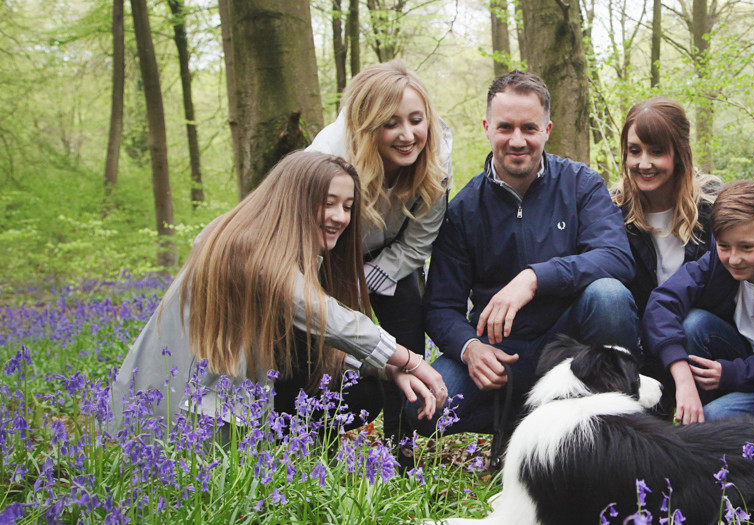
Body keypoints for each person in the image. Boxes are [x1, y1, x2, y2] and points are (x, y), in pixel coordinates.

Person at [109, 152, 448, 438]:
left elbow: (312, 340)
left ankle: (297, 456)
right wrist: (409, 359)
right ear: (292, 200)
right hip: (177, 418)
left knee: (361, 387)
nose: (339, 217)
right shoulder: (246, 246)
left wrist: (386, 369)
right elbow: (322, 315)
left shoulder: (286, 249)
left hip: (228, 402)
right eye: (327, 203)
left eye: (347, 207)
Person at [416, 70, 637, 441]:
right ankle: (530, 417)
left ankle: (614, 428)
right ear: (487, 127)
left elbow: (616, 257)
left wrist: (535, 278)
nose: (517, 140)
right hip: (503, 353)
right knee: (428, 408)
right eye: (505, 128)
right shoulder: (464, 209)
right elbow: (440, 306)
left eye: (529, 128)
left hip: (572, 345)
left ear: (547, 130)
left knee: (610, 297)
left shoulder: (581, 184)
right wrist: (471, 349)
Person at [306, 60, 452, 446]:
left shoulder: (437, 159)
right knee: (325, 344)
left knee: (406, 332)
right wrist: (344, 282)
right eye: (391, 124)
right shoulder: (326, 157)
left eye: (416, 120)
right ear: (367, 126)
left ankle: (402, 446)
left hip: (394, 253)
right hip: (328, 255)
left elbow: (420, 238)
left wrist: (374, 274)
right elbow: (305, 244)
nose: (408, 135)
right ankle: (321, 446)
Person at [642, 181, 754, 424]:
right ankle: (695, 410)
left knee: (715, 418)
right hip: (736, 362)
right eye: (724, 246)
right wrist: (683, 379)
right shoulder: (717, 262)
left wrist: (735, 374)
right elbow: (662, 301)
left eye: (747, 247)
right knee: (695, 323)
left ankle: (709, 420)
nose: (734, 259)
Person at [610, 97, 720, 315]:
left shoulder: (711, 203)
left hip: (691, 328)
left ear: (679, 153)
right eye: (634, 151)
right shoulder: (613, 207)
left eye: (656, 151)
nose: (643, 164)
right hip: (634, 329)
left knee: (695, 322)